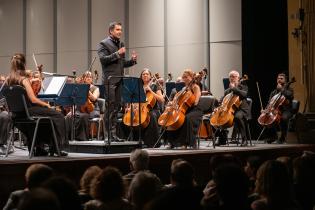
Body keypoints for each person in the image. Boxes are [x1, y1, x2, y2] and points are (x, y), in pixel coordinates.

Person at [6, 53, 67, 156]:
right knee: (58, 116)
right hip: (28, 112)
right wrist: (45, 105)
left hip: (16, 114)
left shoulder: (8, 80)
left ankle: (39, 148)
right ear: (24, 64)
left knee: (46, 119)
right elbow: (33, 99)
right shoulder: (24, 80)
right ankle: (57, 147)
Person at [98, 21, 137, 142]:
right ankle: (107, 136)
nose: (120, 32)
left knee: (117, 107)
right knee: (110, 107)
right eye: (117, 30)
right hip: (110, 80)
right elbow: (103, 60)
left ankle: (113, 135)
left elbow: (121, 63)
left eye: (121, 29)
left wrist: (132, 61)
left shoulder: (121, 44)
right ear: (111, 31)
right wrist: (117, 53)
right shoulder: (103, 44)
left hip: (120, 80)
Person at [124, 69, 164, 147]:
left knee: (151, 116)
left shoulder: (155, 86)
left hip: (153, 109)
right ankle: (133, 141)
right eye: (143, 74)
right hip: (140, 108)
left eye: (147, 74)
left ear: (150, 76)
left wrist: (151, 91)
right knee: (129, 117)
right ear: (141, 77)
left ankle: (151, 142)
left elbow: (161, 100)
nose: (145, 75)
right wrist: (131, 107)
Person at [165, 69, 203, 149]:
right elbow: (177, 101)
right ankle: (172, 142)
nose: (184, 79)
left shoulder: (196, 87)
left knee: (186, 119)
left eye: (186, 77)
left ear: (192, 77)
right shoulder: (184, 89)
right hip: (185, 109)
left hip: (195, 110)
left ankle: (185, 143)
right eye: (183, 77)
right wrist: (172, 103)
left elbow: (196, 102)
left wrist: (188, 99)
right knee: (172, 118)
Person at [216, 70, 249, 146]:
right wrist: (218, 105)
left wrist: (234, 88)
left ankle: (244, 139)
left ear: (238, 78)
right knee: (217, 116)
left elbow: (244, 95)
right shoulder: (227, 91)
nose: (232, 78)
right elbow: (223, 100)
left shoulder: (243, 87)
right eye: (230, 76)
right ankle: (222, 139)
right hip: (230, 110)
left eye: (234, 76)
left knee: (238, 117)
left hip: (242, 110)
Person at [65, 71, 100, 141]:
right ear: (83, 79)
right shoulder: (80, 88)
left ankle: (81, 138)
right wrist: (72, 110)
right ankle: (70, 137)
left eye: (90, 77)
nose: (89, 79)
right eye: (87, 77)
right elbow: (76, 100)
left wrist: (86, 89)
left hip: (92, 109)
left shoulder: (96, 88)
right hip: (80, 109)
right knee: (68, 116)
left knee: (83, 117)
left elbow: (94, 98)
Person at [266, 73, 294, 144]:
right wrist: (266, 109)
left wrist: (281, 89)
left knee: (283, 118)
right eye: (278, 78)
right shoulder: (274, 92)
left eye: (281, 79)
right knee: (266, 118)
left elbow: (290, 96)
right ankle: (273, 137)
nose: (279, 80)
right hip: (276, 110)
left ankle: (282, 138)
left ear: (285, 80)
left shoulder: (289, 89)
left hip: (286, 110)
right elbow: (270, 103)